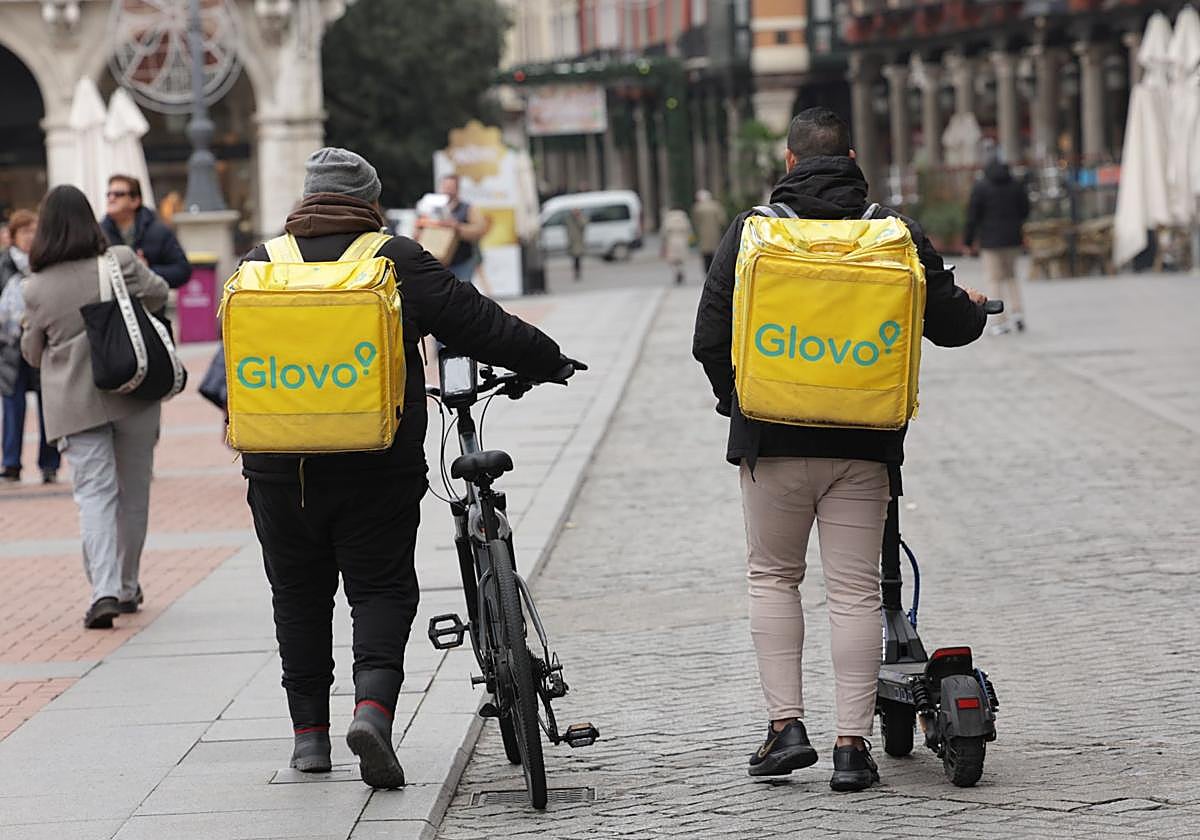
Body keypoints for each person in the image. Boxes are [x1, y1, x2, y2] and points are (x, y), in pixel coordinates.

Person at [238, 148, 582, 790]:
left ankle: (309, 739)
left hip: (281, 471)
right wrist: (548, 359)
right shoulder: (392, 259)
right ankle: (372, 713)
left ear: (306, 200)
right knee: (381, 590)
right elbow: (479, 322)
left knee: (298, 595)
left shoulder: (261, 263)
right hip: (377, 465)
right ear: (370, 202)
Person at [692, 107, 988, 792]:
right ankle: (853, 749)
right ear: (852, 159)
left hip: (772, 438)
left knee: (773, 578)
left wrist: (737, 402)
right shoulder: (894, 232)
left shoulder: (752, 233)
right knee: (856, 593)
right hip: (864, 444)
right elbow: (950, 322)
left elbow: (708, 340)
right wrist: (973, 305)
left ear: (789, 164)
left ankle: (784, 728)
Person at [21, 185, 169, 628]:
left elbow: (32, 352)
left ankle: (103, 589)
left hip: (74, 403)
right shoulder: (120, 262)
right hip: (134, 390)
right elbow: (160, 294)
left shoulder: (35, 288)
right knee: (134, 494)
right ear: (89, 220)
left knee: (94, 496)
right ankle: (127, 586)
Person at [0, 210, 60, 484]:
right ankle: (11, 463)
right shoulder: (3, 265)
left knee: (49, 405)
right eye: (24, 232)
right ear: (12, 236)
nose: (30, 237)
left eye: (34, 231)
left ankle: (50, 463)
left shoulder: (48, 264)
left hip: (44, 343)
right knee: (12, 406)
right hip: (10, 346)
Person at [963, 160, 1030, 334]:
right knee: (1011, 276)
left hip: (990, 240)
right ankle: (1018, 313)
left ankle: (1000, 320)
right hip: (1013, 239)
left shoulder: (981, 187)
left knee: (994, 279)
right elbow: (1025, 209)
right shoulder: (1015, 185)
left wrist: (968, 241)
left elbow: (972, 215)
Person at [100, 174, 192, 289]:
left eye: (119, 194)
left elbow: (183, 271)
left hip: (150, 304)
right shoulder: (99, 234)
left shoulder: (159, 232)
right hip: (112, 305)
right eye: (109, 194)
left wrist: (147, 271)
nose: (111, 198)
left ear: (135, 201)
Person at [438, 174, 490, 283]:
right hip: (440, 262)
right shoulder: (435, 208)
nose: (447, 191)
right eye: (445, 187)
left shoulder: (468, 208)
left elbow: (480, 230)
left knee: (461, 295)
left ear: (457, 189)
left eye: (450, 187)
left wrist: (457, 227)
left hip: (462, 261)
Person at [692, 189, 728, 275]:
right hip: (715, 232)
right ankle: (714, 269)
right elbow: (722, 220)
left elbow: (695, 221)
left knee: (705, 253)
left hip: (703, 233)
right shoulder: (716, 206)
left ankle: (707, 270)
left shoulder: (698, 207)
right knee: (715, 252)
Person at [661, 207, 694, 286]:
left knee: (673, 260)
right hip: (682, 239)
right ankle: (681, 270)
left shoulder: (668, 218)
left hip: (672, 239)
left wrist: (663, 241)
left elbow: (664, 231)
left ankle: (676, 272)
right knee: (681, 259)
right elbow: (689, 230)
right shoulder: (684, 218)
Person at [564, 207, 586, 281]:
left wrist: (578, 217)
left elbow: (583, 225)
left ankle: (578, 273)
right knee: (574, 259)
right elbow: (566, 227)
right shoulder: (569, 219)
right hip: (571, 242)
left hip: (578, 242)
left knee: (578, 259)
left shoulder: (581, 218)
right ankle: (576, 273)